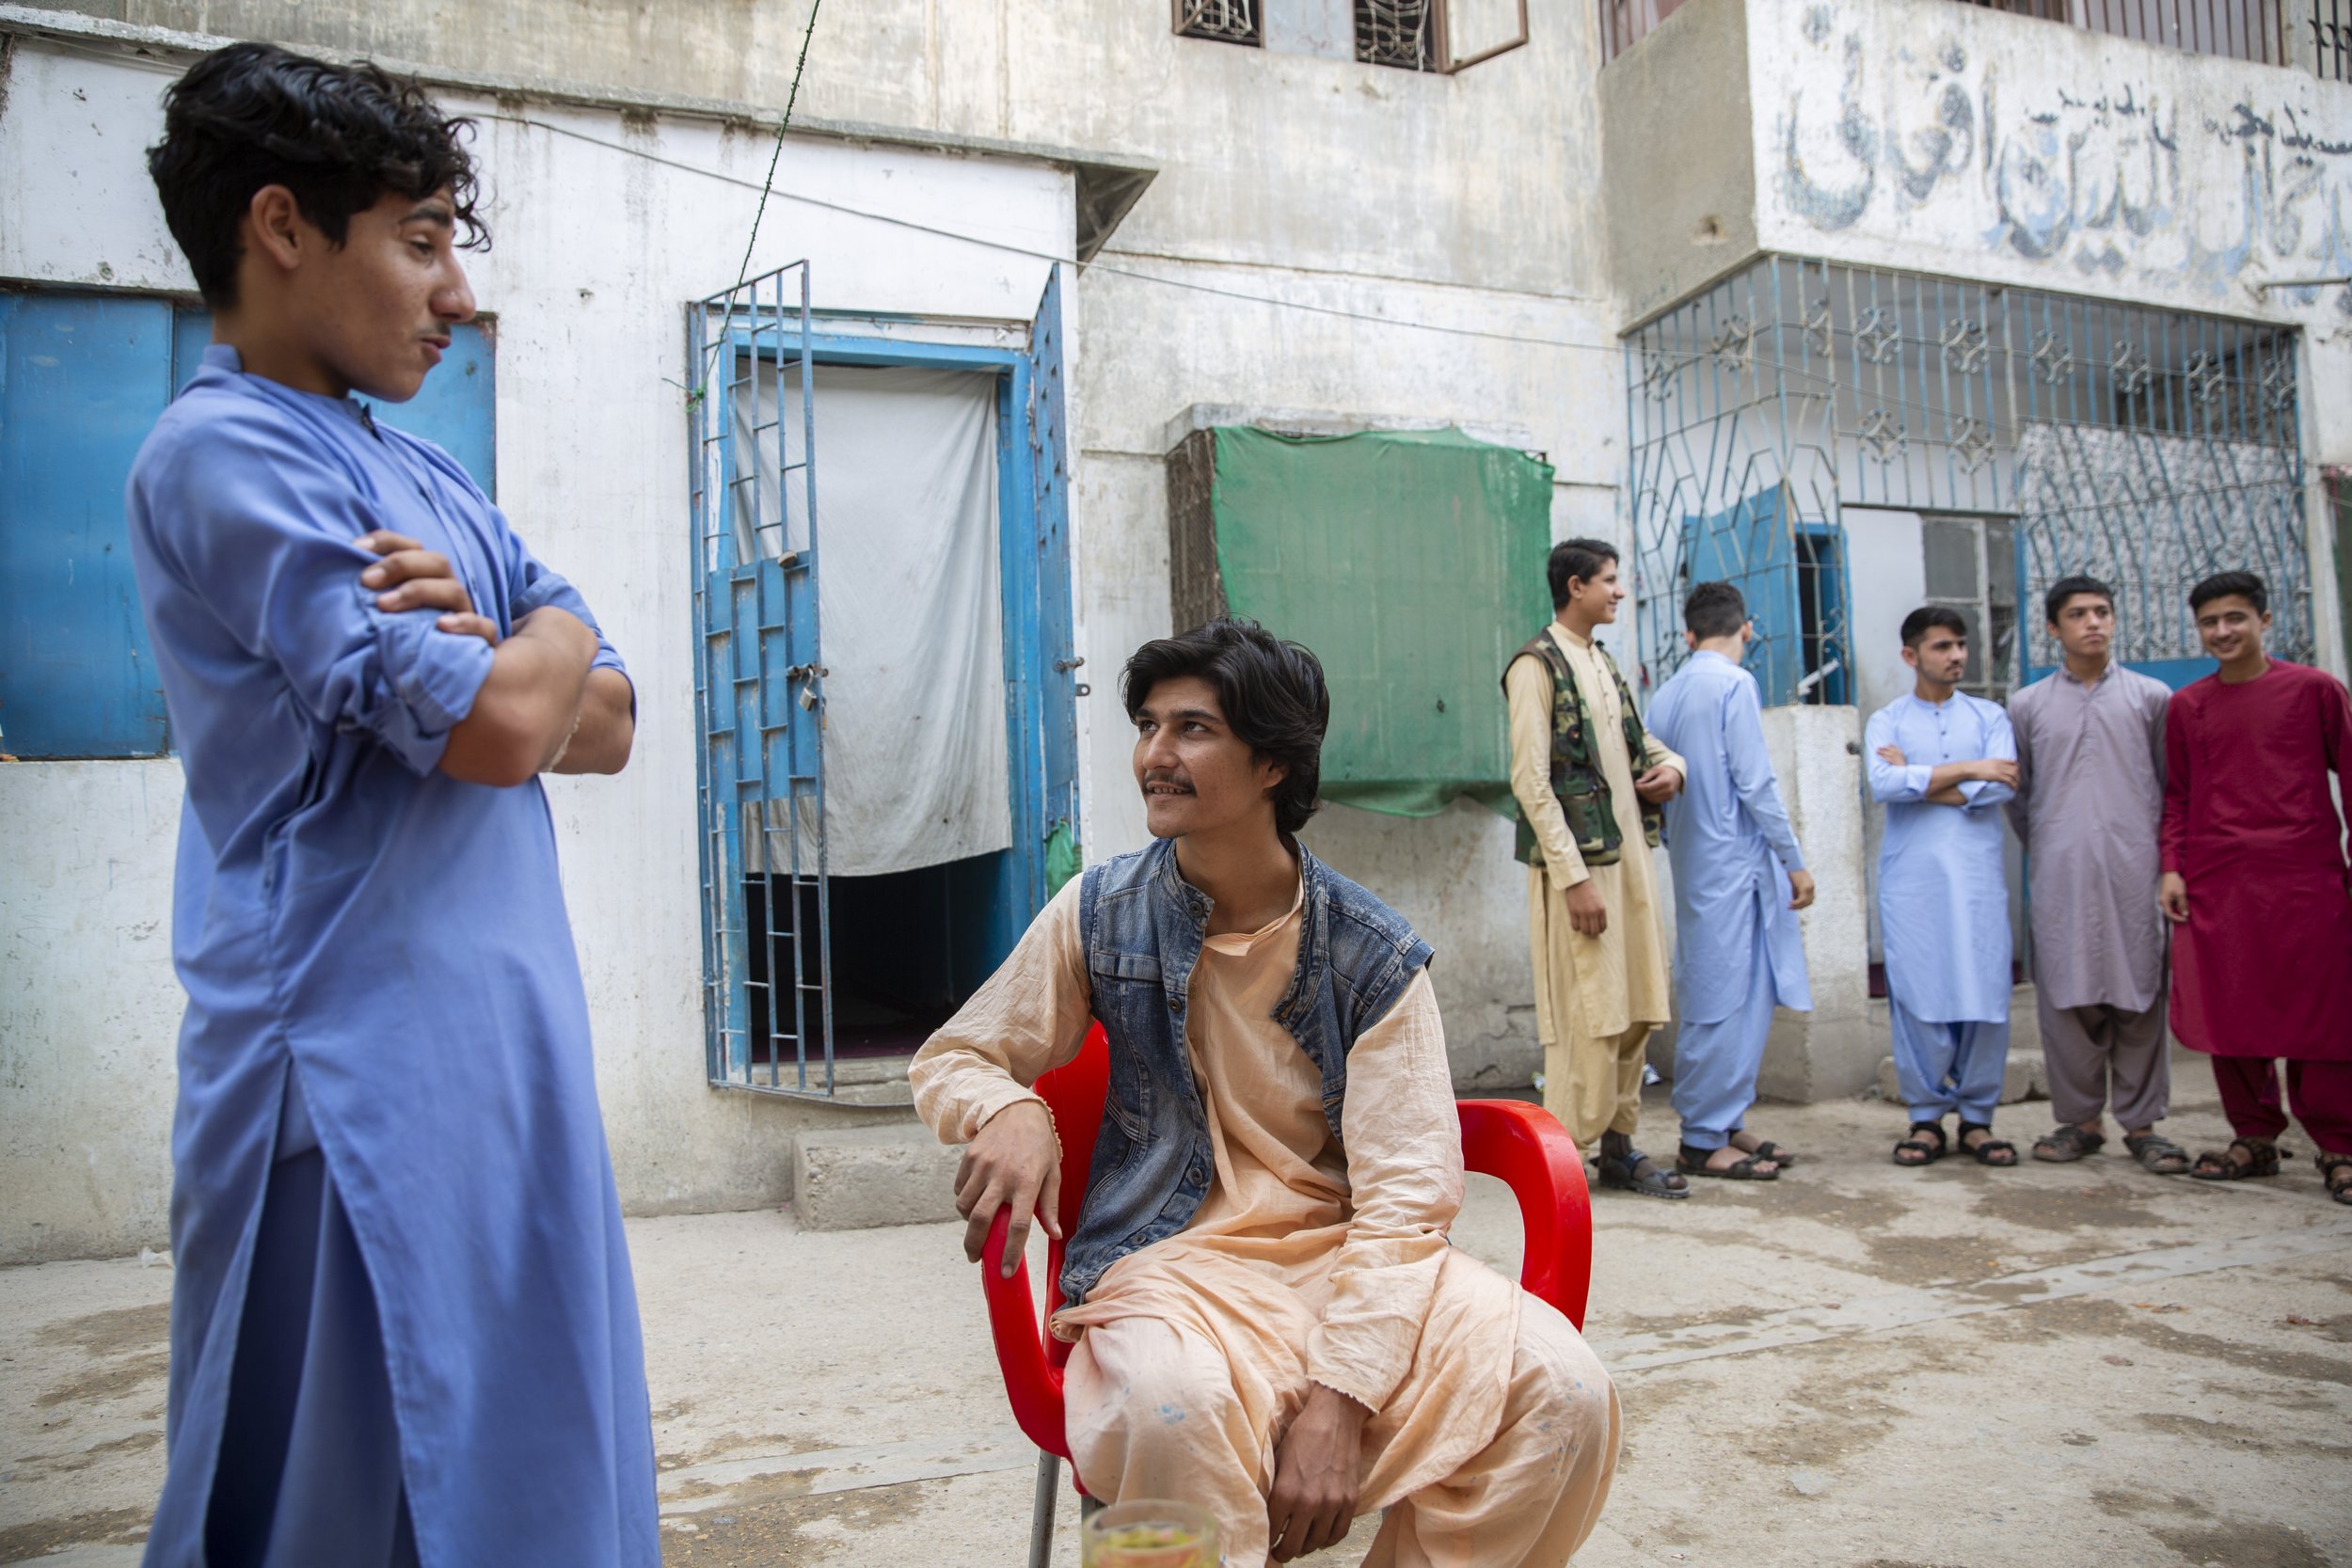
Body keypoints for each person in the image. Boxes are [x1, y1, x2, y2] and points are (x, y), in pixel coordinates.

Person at [127, 44, 655, 1567]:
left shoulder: (419, 470)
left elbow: (611, 722)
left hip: (502, 1051)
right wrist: (537, 645)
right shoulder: (221, 454)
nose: (460, 295)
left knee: (533, 1448)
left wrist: (523, 648)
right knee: (342, 1486)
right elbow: (510, 725)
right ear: (283, 228)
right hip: (345, 1076)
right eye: (420, 242)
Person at [912, 621, 1620, 1567]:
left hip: (1347, 1256)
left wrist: (1340, 1394)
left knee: (1564, 1391)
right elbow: (957, 1051)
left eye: (1192, 728)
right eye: (1148, 725)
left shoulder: (1374, 952)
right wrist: (1010, 1106)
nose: (1154, 755)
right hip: (1167, 1266)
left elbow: (1408, 1198)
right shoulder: (1101, 909)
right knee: (1175, 1408)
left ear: (1275, 763)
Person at [1503, 539, 1689, 1198]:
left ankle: (1619, 1146)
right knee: (1591, 1011)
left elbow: (1641, 746)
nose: (1619, 592)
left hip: (1631, 860)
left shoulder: (1603, 662)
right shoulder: (1535, 665)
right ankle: (1564, 1160)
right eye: (1610, 581)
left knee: (1638, 1004)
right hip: (1580, 868)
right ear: (1576, 585)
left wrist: (1673, 769)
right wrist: (1572, 876)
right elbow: (1529, 781)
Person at [2159, 572, 2352, 1204]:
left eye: (2235, 618)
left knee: (2323, 1014)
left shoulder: (2316, 690)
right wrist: (2172, 866)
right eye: (2210, 621)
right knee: (2229, 1009)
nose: (2223, 631)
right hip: (2219, 883)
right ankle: (2254, 1135)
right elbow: (2179, 794)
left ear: (2265, 621)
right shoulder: (2188, 706)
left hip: (2306, 877)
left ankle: (2339, 1143)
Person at [2005, 576, 2187, 1174]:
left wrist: (2161, 861)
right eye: (2078, 614)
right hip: (2060, 873)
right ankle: (2079, 1121)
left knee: (2140, 995)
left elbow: (2171, 784)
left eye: (2102, 612)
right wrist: (2056, 846)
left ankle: (2143, 1124)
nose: (2093, 623)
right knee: (2066, 996)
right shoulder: (2028, 706)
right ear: (2054, 629)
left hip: (2137, 872)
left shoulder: (2152, 697)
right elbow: (2019, 793)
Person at [1643, 582, 1816, 1181]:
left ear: (1689, 634)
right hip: (1736, 866)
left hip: (1696, 865)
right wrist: (1793, 859)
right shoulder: (1734, 685)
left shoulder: (1663, 695)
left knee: (1720, 994)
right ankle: (1701, 1138)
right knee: (1727, 1004)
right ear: (1747, 629)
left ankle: (1726, 1118)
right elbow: (1756, 784)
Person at [1867, 607, 2021, 1169]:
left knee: (1985, 995)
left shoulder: (1988, 716)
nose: (1956, 656)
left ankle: (1979, 1119)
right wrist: (1967, 769)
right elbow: (1884, 783)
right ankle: (1926, 1117)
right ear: (1911, 656)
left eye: (1960, 645)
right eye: (1942, 647)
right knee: (1918, 995)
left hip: (1977, 881)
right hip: (1913, 883)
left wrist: (1923, 776)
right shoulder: (1886, 720)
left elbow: (2001, 785)